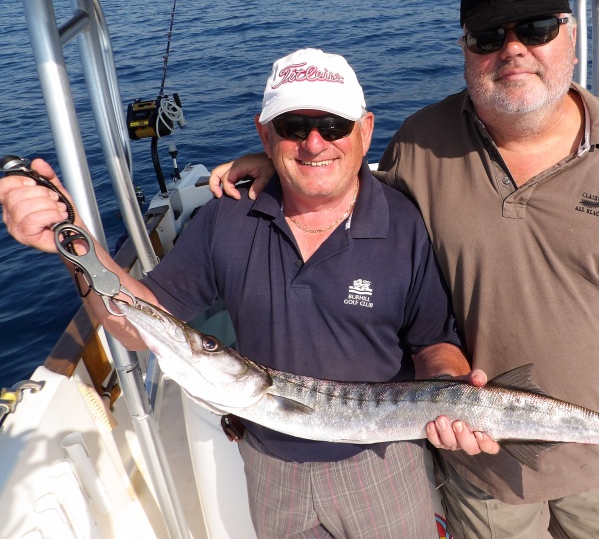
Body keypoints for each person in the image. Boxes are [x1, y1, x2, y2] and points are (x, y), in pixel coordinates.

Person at [208, 0, 599, 539]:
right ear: (465, 51)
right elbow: (352, 199)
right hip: (478, 465)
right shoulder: (423, 144)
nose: (513, 49)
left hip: (598, 456)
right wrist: (279, 160)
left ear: (571, 37)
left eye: (536, 27)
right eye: (487, 36)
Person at [0, 48, 473, 539]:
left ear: (366, 130)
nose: (315, 143)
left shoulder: (405, 223)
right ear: (265, 134)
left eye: (333, 124)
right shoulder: (225, 219)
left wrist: (451, 398)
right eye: (293, 125)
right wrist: (76, 245)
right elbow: (136, 327)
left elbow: (433, 343)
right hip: (268, 468)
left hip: (382, 462)